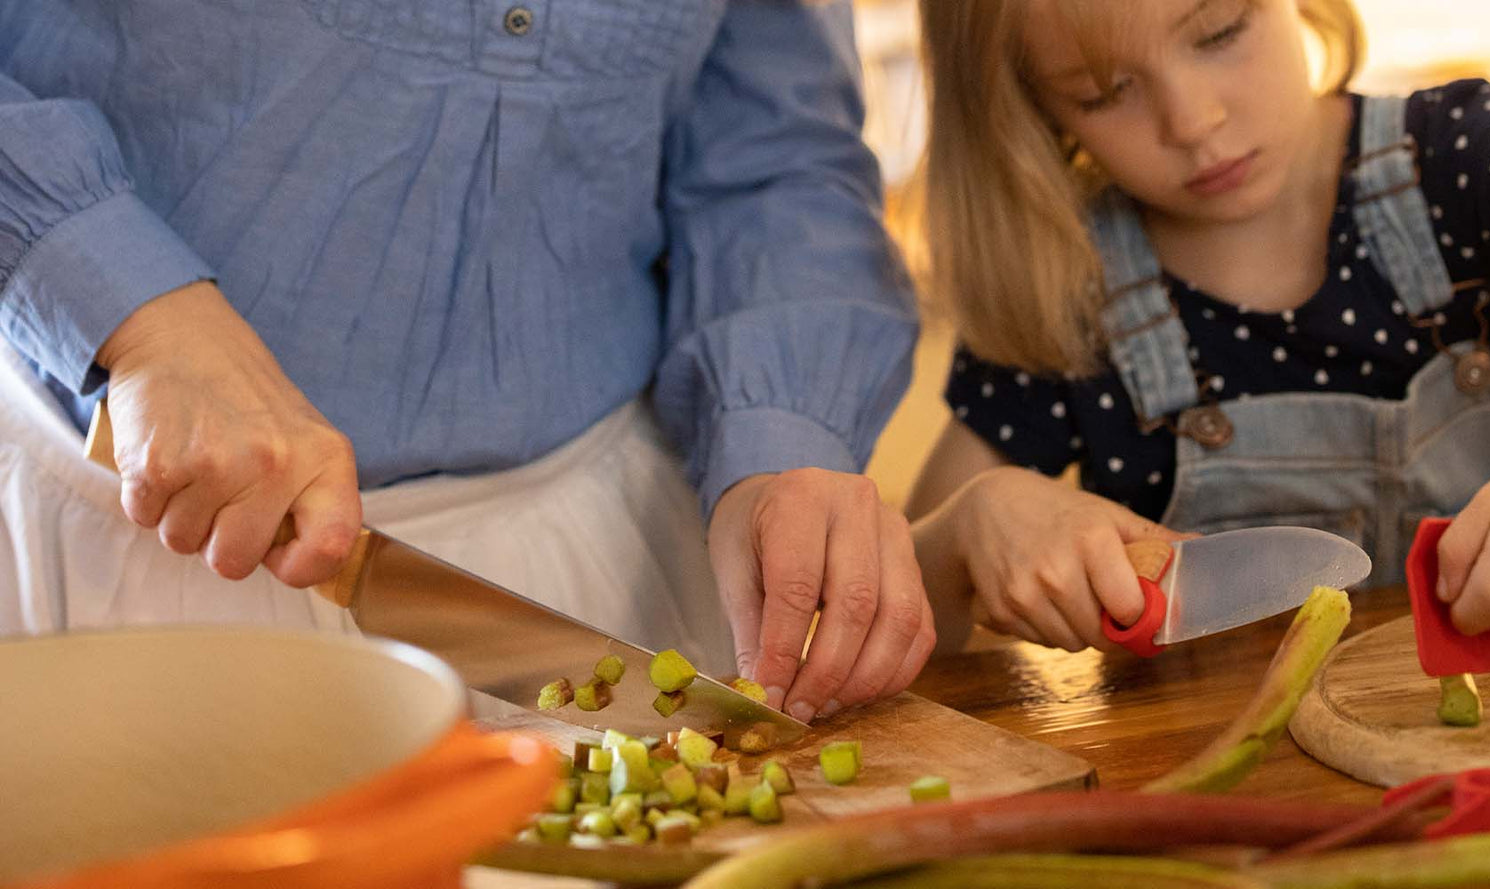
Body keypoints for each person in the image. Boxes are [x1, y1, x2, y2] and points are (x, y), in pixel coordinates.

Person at [0, 0, 936, 725]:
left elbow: (776, 158)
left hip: (609, 559)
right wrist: (132, 311)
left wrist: (780, 436)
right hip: (128, 535)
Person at [906, 0, 1490, 655]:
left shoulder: (1467, 159)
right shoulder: (1064, 284)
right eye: (1103, 91)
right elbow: (904, 610)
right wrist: (967, 525)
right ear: (1031, 111)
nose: (1193, 121)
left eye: (1219, 31)